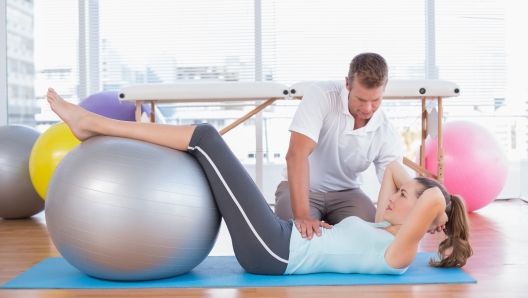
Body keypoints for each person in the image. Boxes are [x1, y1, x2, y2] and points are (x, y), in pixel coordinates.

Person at [46, 87, 472, 275]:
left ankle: (91, 124)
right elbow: (398, 170)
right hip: (283, 236)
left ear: (420, 217)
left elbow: (432, 202)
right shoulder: (385, 226)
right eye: (397, 193)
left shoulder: (398, 254)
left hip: (274, 252)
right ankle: (101, 126)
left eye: (401, 197)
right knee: (204, 146)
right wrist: (418, 195)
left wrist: (437, 207)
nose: (393, 194)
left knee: (205, 139)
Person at [275, 53, 404, 241]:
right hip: (305, 190)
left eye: (375, 100)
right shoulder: (322, 95)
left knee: (374, 239)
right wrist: (303, 217)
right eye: (360, 99)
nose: (367, 108)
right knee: (297, 240)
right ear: (347, 84)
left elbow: (398, 188)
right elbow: (296, 154)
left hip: (348, 194)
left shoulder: (386, 133)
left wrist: (430, 212)